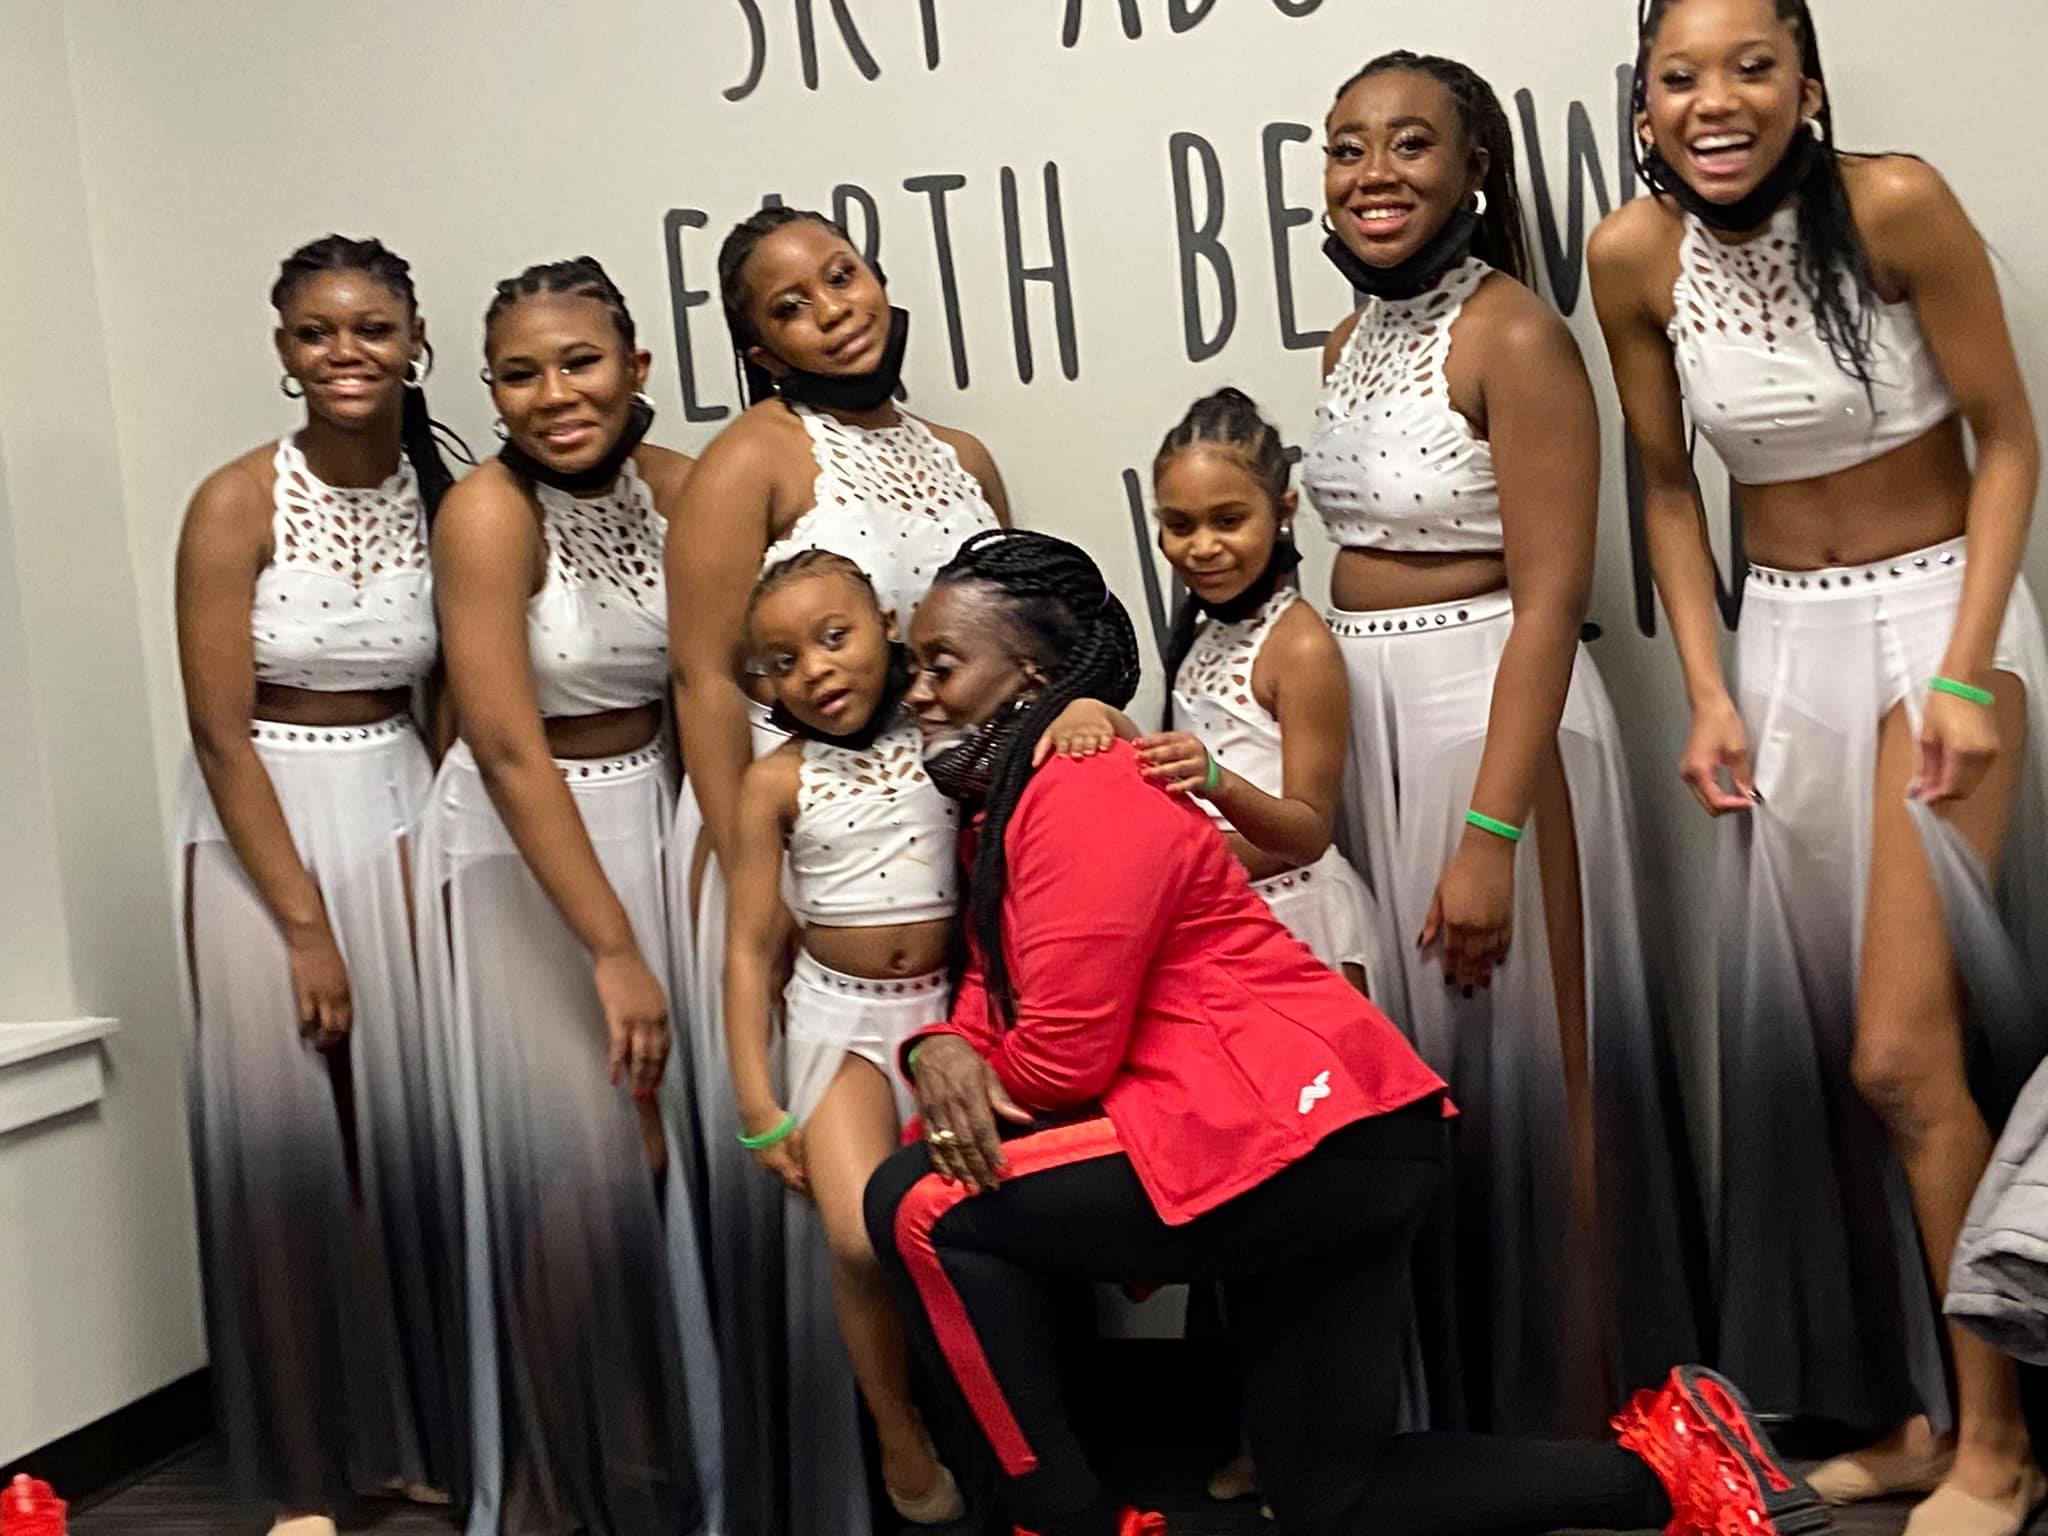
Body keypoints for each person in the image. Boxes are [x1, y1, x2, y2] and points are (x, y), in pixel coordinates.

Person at [863, 526, 1827, 1536]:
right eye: (913, 666)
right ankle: (1682, 1470)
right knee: (1334, 1494)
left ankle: (1066, 1524)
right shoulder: (1010, 806)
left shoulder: (1086, 789)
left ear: (1030, 673)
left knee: (920, 1201)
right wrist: (936, 1048)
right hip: (1344, 1141)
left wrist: (968, 1073)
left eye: (941, 664)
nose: (916, 692)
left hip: (1307, 1132)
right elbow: (990, 997)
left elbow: (1062, 1061)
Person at [1588, 1, 2047, 1529]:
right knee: (1829, 1069)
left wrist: (1967, 673)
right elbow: (1667, 485)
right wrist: (1707, 690)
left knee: (1905, 1057)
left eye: (1751, 66)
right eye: (1680, 75)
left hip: (1940, 628)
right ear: (1646, 104)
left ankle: (2000, 1449)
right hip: (1782, 645)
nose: (1715, 100)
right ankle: (1921, 1418)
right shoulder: (1629, 256)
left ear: (1808, 83)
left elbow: (2008, 441)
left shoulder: (1898, 203)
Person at [1302, 50, 1699, 1432]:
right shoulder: (1347, 342)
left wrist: (1489, 833)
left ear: (1475, 167)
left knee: (1536, 1073)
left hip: (1489, 720)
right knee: (1414, 1079)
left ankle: (1582, 1421)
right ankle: (1452, 1410)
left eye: (1408, 144)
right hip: (1368, 723)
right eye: (1346, 147)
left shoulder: (1515, 333)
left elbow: (1548, 599)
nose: (1373, 173)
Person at [669, 205, 1006, 1536]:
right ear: (758, 346)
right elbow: (707, 679)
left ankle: (1013, 1445)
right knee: (860, 1213)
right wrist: (757, 858)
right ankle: (889, 1439)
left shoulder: (963, 454)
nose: (832, 309)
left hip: (951, 850)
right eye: (790, 305)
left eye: (842, 275)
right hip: (817, 847)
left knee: (987, 1200)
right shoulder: (753, 456)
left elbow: (1011, 650)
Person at [416, 257, 720, 1536]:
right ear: (489, 390)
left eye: (579, 362)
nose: (554, 393)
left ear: (636, 365)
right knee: (584, 1164)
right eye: (520, 373)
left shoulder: (684, 489)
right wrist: (613, 949)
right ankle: (545, 1486)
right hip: (517, 846)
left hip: (648, 812)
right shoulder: (486, 514)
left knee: (664, 1153)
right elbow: (500, 743)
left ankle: (638, 1452)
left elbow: (716, 684)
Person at [174, 234, 460, 1536]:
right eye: (316, 332)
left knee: (402, 1143)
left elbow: (450, 701)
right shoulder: (235, 500)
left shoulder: (446, 500)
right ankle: (303, 1477)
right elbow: (218, 732)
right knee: (287, 1155)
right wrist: (304, 927)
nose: (346, 352)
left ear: (414, 342)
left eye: (371, 329)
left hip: (396, 797)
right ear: (284, 349)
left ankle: (398, 1442)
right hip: (262, 821)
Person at [722, 550, 968, 1528]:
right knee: (860, 1241)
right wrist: (756, 1100)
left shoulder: (949, 737)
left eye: (835, 638)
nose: (816, 670)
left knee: (966, 1235)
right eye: (784, 660)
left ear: (888, 625)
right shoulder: (773, 782)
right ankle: (896, 1430)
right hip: (840, 1022)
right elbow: (749, 949)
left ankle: (993, 1428)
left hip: (951, 1015)